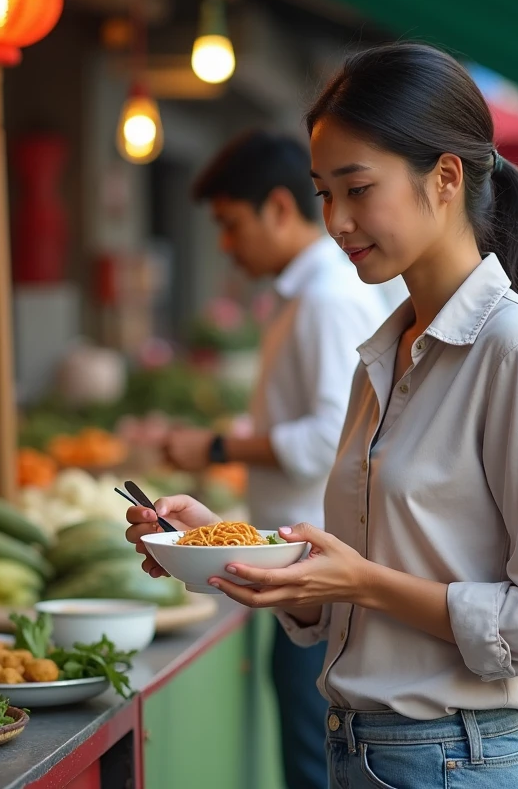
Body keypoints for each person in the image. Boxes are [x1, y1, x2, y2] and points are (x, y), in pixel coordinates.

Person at [131, 43, 518, 788]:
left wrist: (359, 584)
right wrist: (219, 546)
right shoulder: (385, 355)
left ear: (444, 178)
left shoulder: (516, 349)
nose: (337, 221)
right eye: (322, 193)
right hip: (369, 754)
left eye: (356, 188)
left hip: (453, 760)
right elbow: (356, 586)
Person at [163, 129, 394, 789]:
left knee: (313, 762)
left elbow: (329, 437)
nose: (225, 245)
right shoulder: (306, 294)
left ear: (278, 208)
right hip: (302, 571)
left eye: (231, 225)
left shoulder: (327, 297)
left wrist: (217, 447)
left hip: (316, 571)